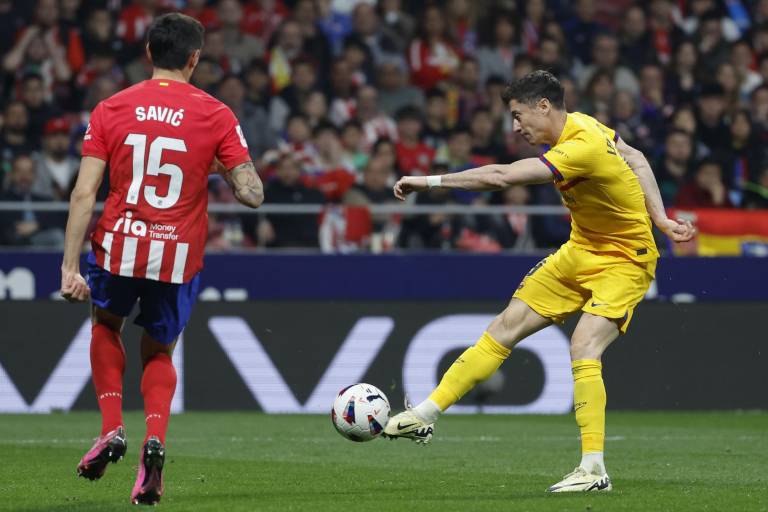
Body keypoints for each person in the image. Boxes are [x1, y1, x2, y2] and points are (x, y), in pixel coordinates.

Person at [386, 71, 695, 493]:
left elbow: (500, 177)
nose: (515, 127)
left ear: (543, 106)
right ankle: (424, 416)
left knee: (584, 344)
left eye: (517, 115)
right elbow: (637, 157)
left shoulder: (581, 144)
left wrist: (428, 181)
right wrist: (660, 217)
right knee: (503, 328)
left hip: (624, 259)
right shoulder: (590, 126)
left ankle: (593, 469)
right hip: (579, 250)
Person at [59, 13, 264, 505]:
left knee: (106, 325)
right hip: (176, 255)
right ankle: (156, 440)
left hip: (118, 245)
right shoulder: (216, 115)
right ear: (195, 59)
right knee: (159, 350)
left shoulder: (112, 108)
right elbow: (253, 194)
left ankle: (112, 429)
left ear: (149, 53)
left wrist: (68, 266)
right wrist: (224, 170)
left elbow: (85, 192)